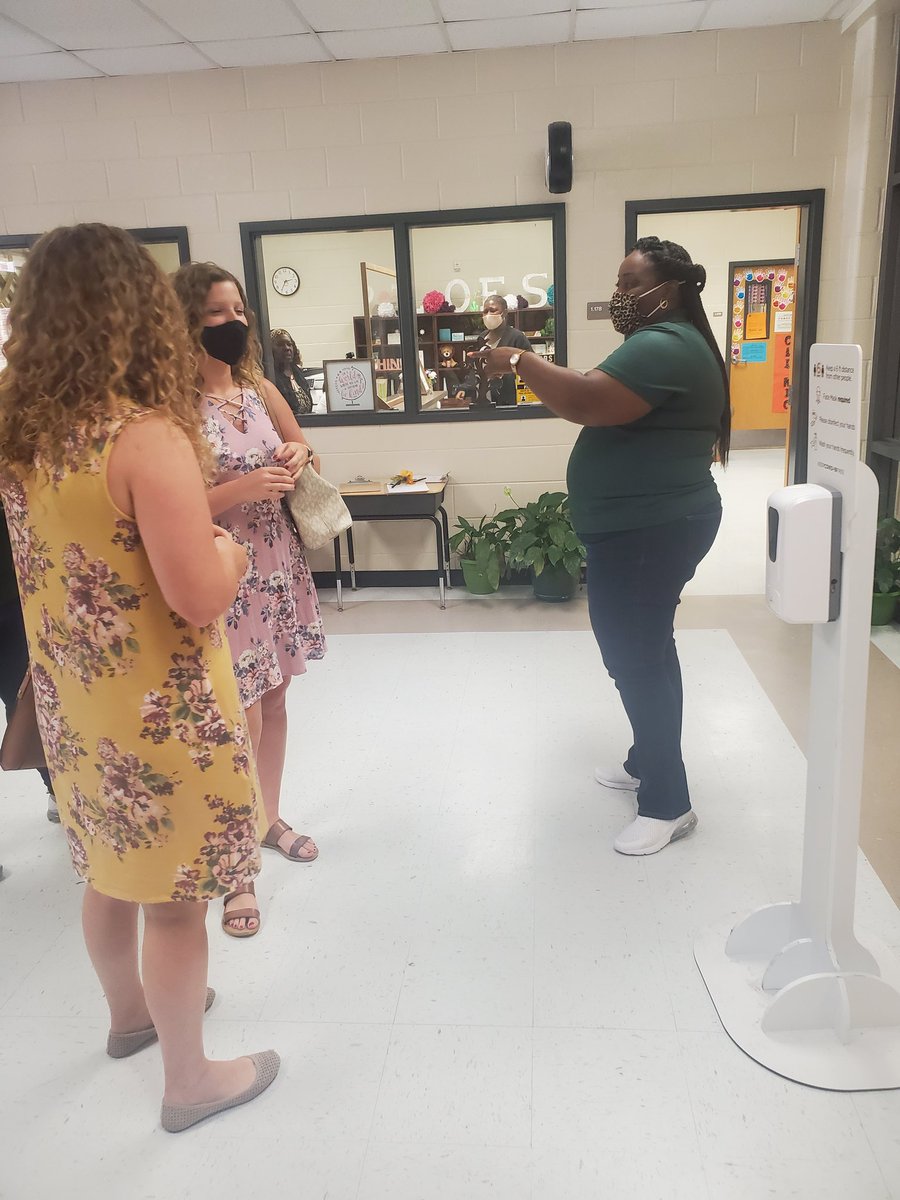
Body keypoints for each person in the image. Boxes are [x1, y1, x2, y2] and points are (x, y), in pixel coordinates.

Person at [0, 223, 278, 1131]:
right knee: (177, 902)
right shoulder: (144, 435)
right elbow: (197, 595)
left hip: (77, 709)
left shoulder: (22, 433)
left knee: (110, 872)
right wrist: (231, 552)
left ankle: (131, 1019)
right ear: (137, 313)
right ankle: (190, 1081)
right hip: (164, 712)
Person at [480, 236, 729, 857]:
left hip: (651, 529)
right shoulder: (670, 341)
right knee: (644, 651)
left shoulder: (665, 344)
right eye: (618, 283)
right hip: (647, 525)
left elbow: (587, 399)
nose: (619, 294)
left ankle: (668, 803)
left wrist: (519, 361)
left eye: (629, 283)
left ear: (669, 288)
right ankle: (647, 760)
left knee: (637, 658)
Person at [172, 263, 326, 938]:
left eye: (237, 310)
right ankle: (236, 870)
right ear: (184, 321)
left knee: (277, 700)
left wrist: (296, 455)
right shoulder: (172, 407)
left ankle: (266, 817)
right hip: (221, 572)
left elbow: (305, 452)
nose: (231, 322)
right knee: (240, 719)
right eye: (214, 313)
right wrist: (242, 487)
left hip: (276, 564)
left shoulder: (258, 388)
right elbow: (164, 510)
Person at [0, 502, 59, 821]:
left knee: (27, 698)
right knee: (25, 696)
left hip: (13, 593)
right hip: (13, 592)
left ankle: (58, 789)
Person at [476, 294, 531, 407]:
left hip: (510, 399)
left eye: (492, 310)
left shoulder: (517, 337)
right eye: (485, 311)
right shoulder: (482, 337)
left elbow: (531, 367)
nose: (488, 315)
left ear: (504, 313)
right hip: (487, 400)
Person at [270, 328, 314, 418]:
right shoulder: (270, 377)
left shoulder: (298, 373)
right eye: (280, 345)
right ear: (270, 350)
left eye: (289, 344)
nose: (287, 348)